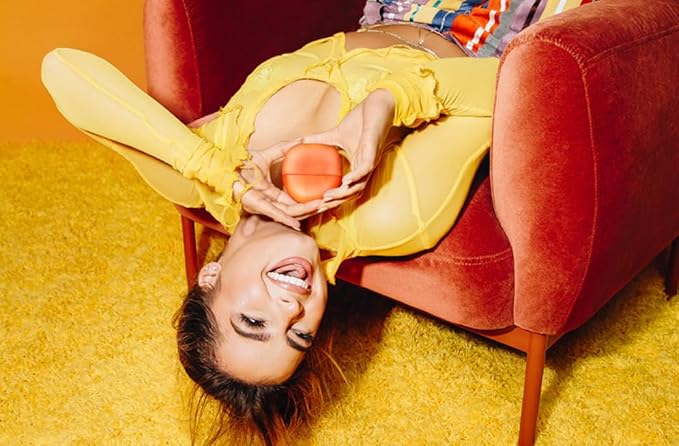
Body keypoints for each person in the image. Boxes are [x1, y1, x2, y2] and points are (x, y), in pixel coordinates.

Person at [42, 1, 587, 443]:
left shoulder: (208, 177)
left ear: (210, 277)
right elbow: (523, 84)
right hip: (490, 29)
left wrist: (219, 172)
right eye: (300, 334)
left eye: (253, 321)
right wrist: (384, 105)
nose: (291, 308)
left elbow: (62, 70)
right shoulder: (386, 216)